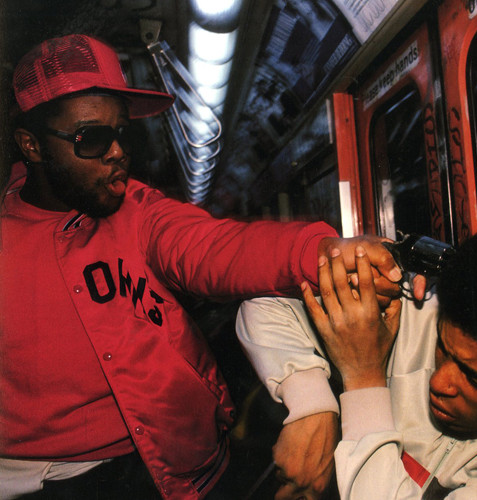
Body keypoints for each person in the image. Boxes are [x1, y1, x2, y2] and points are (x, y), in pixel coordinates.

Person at [0, 34, 405, 500]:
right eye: (90, 138)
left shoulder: (138, 210)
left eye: (121, 133)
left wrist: (326, 252)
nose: (116, 153)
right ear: (31, 146)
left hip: (189, 467)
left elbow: (217, 248)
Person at [237, 222, 477, 499]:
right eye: (443, 348)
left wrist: (364, 376)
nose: (440, 382)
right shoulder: (421, 308)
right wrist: (312, 406)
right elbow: (267, 304)